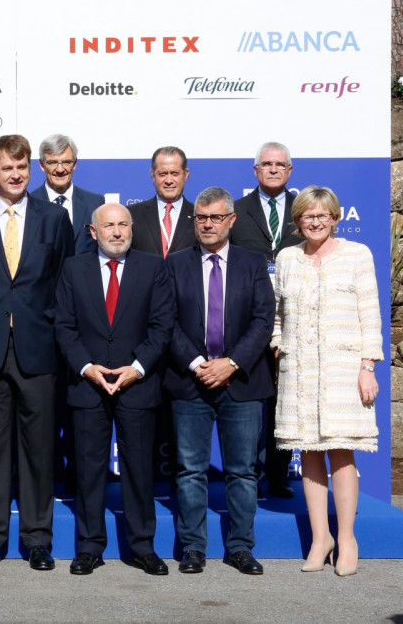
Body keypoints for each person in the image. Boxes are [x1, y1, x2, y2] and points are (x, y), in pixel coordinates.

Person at [0, 134, 74, 571]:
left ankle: (38, 540)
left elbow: (66, 283)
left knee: (39, 452)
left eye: (22, 167)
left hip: (38, 350)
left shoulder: (54, 218)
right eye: (7, 168)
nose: (16, 174)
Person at [54, 203, 174, 576]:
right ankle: (89, 547)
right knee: (89, 471)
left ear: (132, 228)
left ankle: (142, 547)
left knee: (139, 470)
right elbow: (64, 325)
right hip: (87, 385)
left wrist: (136, 368)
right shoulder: (73, 269)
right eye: (109, 226)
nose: (117, 232)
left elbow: (162, 326)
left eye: (123, 224)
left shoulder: (153, 267)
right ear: (93, 232)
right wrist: (86, 367)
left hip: (137, 384)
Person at [271, 185, 382, 577]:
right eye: (307, 216)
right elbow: (278, 313)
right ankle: (321, 539)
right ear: (298, 221)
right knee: (308, 451)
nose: (315, 222)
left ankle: (347, 538)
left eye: (322, 215)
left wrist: (367, 366)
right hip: (299, 371)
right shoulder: (287, 258)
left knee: (341, 450)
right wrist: (277, 345)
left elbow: (370, 313)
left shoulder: (357, 254)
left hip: (343, 370)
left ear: (335, 218)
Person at [165, 187, 275, 575]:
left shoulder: (253, 263)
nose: (207, 224)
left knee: (242, 471)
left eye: (215, 218)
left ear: (231, 220)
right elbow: (166, 321)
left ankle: (240, 548)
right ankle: (193, 548)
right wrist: (198, 363)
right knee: (190, 470)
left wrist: (231, 362)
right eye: (201, 218)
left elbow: (264, 319)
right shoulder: (175, 264)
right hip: (190, 381)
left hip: (241, 381)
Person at [230, 141, 304, 499]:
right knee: (246, 398)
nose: (273, 169)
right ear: (256, 170)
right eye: (267, 164)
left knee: (282, 399)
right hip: (245, 319)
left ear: (289, 171)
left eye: (279, 165)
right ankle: (244, 475)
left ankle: (277, 476)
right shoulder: (236, 211)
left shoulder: (304, 211)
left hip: (291, 319)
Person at [29, 134, 104, 255]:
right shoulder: (29, 203)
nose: (60, 169)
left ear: (75, 164)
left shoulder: (95, 203)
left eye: (66, 162)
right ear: (42, 165)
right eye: (52, 162)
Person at [127, 146, 195, 258]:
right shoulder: (131, 214)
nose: (169, 181)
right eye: (162, 174)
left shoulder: (200, 217)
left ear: (186, 174)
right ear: (152, 175)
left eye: (175, 173)